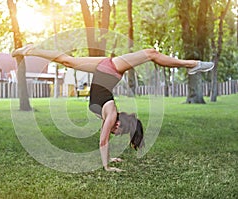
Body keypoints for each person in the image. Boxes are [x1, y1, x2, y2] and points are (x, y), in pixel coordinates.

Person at [12, 44, 214, 172]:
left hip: (105, 69)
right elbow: (102, 140)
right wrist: (106, 166)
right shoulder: (111, 115)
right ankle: (192, 64)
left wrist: (110, 156)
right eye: (120, 131)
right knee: (150, 53)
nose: (115, 133)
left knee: (67, 61)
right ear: (120, 124)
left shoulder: (109, 114)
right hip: (111, 69)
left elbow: (105, 139)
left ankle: (30, 50)